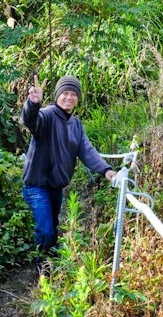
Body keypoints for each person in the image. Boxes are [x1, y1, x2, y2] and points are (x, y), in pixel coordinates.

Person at [21, 74, 117, 271]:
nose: (69, 97)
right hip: (36, 186)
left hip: (56, 187)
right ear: (57, 95)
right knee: (46, 230)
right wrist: (32, 104)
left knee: (53, 228)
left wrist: (107, 171)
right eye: (65, 93)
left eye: (73, 94)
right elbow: (30, 121)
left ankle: (52, 262)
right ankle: (42, 268)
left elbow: (87, 151)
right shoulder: (47, 115)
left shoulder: (76, 124)